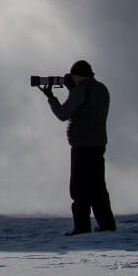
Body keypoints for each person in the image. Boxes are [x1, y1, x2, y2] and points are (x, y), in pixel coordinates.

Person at [40, 60, 116, 235]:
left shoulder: (81, 90)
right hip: (98, 143)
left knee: (79, 187)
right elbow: (88, 108)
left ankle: (81, 227)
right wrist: (73, 90)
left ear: (77, 75)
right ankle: (107, 224)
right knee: (98, 186)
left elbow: (63, 114)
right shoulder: (101, 88)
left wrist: (51, 98)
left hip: (82, 145)